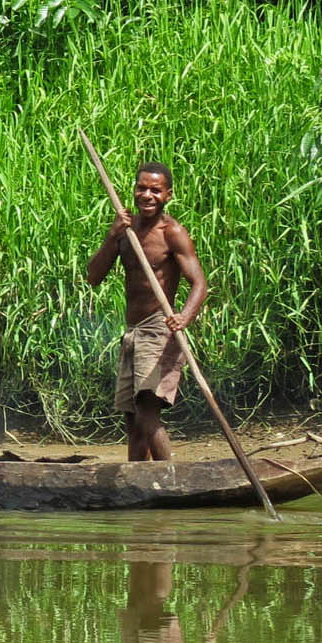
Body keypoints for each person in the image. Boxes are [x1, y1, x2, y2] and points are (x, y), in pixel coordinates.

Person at [84, 161, 208, 461]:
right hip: (133, 332)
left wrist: (184, 317)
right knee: (132, 418)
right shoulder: (125, 231)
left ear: (168, 195)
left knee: (148, 413)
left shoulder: (172, 232)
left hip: (158, 328)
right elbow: (93, 277)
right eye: (142, 188)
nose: (147, 195)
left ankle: (172, 482)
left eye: (156, 190)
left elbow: (199, 284)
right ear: (134, 191)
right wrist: (113, 235)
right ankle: (139, 486)